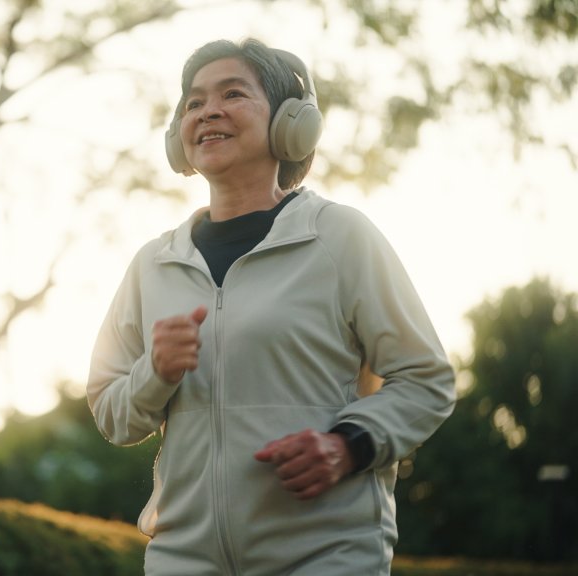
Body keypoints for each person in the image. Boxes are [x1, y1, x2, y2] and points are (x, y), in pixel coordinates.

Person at [87, 38, 456, 576]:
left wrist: (347, 445)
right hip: (182, 561)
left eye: (232, 93)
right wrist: (154, 372)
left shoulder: (338, 238)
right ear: (179, 135)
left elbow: (426, 378)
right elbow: (110, 413)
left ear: (290, 123)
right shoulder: (153, 265)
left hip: (326, 557)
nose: (208, 110)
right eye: (193, 102)